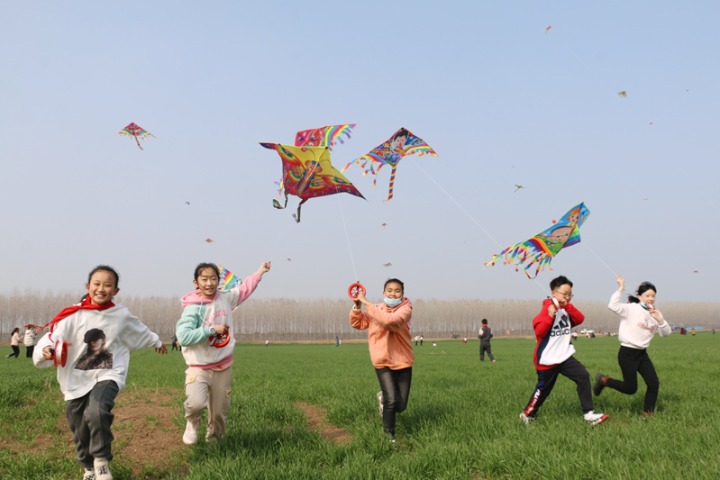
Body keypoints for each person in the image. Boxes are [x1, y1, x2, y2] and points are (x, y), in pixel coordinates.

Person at [33, 265, 167, 480]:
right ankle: (88, 468)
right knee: (79, 427)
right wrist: (46, 352)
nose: (101, 289)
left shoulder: (120, 315)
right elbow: (50, 338)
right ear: (88, 286)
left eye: (107, 285)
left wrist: (157, 341)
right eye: (97, 284)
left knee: (97, 410)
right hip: (75, 379)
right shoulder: (72, 315)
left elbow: (140, 329)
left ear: (115, 290)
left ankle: (102, 462)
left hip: (108, 374)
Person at [176, 261, 271, 445]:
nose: (209, 283)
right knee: (195, 403)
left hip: (223, 365)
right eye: (204, 279)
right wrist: (211, 330)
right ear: (196, 282)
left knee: (220, 410)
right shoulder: (193, 308)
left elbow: (245, 289)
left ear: (218, 281)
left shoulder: (225, 298)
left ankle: (215, 442)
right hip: (198, 367)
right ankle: (192, 422)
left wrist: (260, 271)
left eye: (213, 279)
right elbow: (184, 337)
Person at [519, 275, 608, 426]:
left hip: (564, 356)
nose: (567, 297)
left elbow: (580, 318)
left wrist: (565, 305)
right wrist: (549, 315)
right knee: (543, 390)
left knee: (583, 376)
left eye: (569, 294)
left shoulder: (565, 310)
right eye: (564, 294)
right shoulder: (546, 310)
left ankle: (589, 414)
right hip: (547, 358)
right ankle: (527, 413)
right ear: (554, 293)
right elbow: (539, 332)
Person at [593, 276, 671, 416]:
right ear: (639, 296)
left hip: (642, 354)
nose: (651, 298)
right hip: (627, 353)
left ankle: (647, 415)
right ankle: (604, 380)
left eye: (653, 296)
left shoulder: (655, 313)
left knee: (653, 384)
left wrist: (660, 319)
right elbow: (613, 306)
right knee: (630, 388)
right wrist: (620, 288)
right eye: (647, 295)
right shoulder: (631, 309)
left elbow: (666, 333)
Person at [350, 278, 413, 443]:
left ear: (402, 294)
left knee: (401, 405)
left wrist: (366, 304)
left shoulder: (406, 309)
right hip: (382, 360)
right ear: (384, 292)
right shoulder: (375, 309)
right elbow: (357, 323)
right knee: (392, 400)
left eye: (397, 290)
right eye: (389, 290)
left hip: (403, 361)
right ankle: (389, 437)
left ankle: (382, 399)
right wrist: (357, 306)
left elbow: (390, 321)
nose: (393, 293)